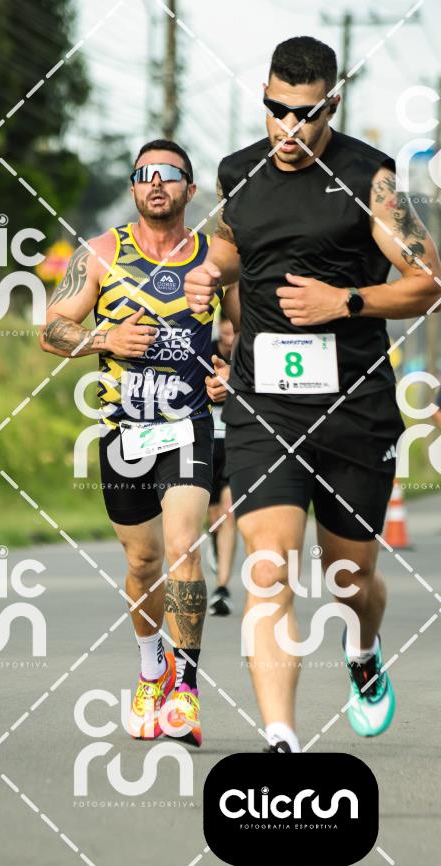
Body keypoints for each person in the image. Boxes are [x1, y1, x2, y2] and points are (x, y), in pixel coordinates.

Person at [184, 36, 441, 752]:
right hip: (263, 404)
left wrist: (345, 302)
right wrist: (210, 272)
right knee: (268, 569)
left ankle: (362, 650)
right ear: (265, 100)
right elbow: (236, 245)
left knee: (350, 577)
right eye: (277, 111)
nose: (288, 128)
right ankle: (282, 740)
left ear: (333, 105)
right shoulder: (238, 171)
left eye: (305, 114)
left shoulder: (369, 177)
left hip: (354, 406)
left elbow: (428, 282)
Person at [41, 139, 235, 748]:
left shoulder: (215, 258)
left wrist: (231, 371)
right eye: (145, 174)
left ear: (189, 190)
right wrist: (105, 339)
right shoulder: (101, 253)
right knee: (143, 563)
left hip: (189, 424)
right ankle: (152, 668)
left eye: (170, 174)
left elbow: (242, 330)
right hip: (124, 430)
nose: (156, 183)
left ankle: (187, 691)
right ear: (133, 187)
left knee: (184, 549)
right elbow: (52, 329)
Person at [206, 310, 238, 615]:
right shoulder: (207, 350)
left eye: (233, 333)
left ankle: (222, 588)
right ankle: (214, 545)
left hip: (235, 441)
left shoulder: (247, 354)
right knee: (214, 515)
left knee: (229, 512)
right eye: (224, 334)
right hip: (205, 441)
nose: (229, 339)